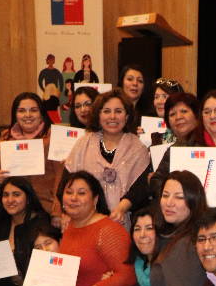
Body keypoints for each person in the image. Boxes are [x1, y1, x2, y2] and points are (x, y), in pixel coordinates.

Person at [62, 90, 151, 226]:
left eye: (119, 111)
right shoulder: (83, 144)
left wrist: (121, 208)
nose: (113, 117)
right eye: (107, 111)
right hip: (85, 222)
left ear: (127, 116)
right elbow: (66, 183)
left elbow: (141, 188)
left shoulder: (138, 148)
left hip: (124, 222)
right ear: (98, 115)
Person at [0, 92, 64, 222]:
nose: (27, 115)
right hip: (14, 210)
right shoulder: (5, 138)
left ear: (41, 114)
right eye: (22, 111)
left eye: (33, 110)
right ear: (15, 115)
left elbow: (61, 176)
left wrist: (57, 211)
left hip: (45, 208)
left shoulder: (54, 137)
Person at [148, 93, 207, 198]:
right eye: (172, 114)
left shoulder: (208, 143)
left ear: (197, 116)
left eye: (184, 111)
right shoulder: (173, 149)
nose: (178, 117)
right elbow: (156, 181)